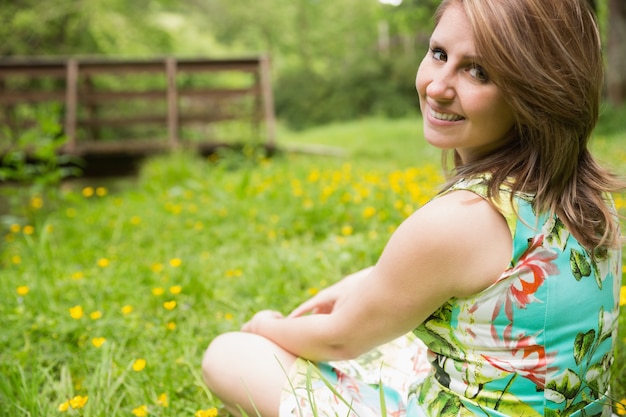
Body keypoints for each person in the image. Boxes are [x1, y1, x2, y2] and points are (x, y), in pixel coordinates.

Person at [201, 0, 625, 415]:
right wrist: (360, 284)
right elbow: (474, 280)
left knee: (229, 355)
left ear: (538, 90)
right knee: (398, 343)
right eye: (439, 54)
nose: (438, 87)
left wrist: (265, 327)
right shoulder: (589, 196)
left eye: (478, 72)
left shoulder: (461, 220)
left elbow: (337, 340)